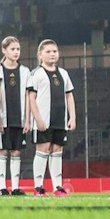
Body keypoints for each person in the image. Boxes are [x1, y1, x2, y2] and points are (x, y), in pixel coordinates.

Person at [25, 39, 74, 196]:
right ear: (40, 55)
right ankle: (38, 187)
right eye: (48, 51)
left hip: (60, 120)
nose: (52, 54)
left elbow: (69, 96)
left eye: (55, 51)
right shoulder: (36, 74)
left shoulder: (64, 74)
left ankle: (57, 187)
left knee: (57, 150)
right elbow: (31, 98)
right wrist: (37, 119)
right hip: (43, 121)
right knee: (43, 149)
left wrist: (72, 117)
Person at [0, 36, 29, 195]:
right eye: (12, 49)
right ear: (4, 50)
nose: (16, 52)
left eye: (18, 49)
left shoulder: (25, 71)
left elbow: (29, 96)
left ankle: (15, 187)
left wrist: (28, 119)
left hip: (19, 118)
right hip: (3, 118)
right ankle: (2, 187)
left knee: (16, 151)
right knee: (2, 151)